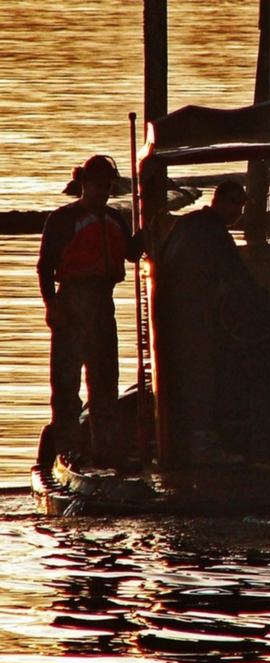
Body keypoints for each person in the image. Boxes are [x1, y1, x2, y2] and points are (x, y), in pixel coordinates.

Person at [36, 154, 144, 466]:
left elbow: (132, 253)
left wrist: (149, 229)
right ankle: (68, 448)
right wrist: (51, 305)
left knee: (105, 379)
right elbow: (45, 267)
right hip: (72, 301)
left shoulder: (114, 218)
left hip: (103, 303)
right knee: (67, 382)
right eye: (96, 185)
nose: (102, 191)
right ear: (84, 184)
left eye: (107, 186)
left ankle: (105, 449)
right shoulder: (62, 220)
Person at [159, 179, 270, 465]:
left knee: (187, 376)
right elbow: (238, 277)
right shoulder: (214, 233)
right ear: (219, 201)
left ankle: (189, 438)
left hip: (174, 316)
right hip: (195, 317)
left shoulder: (185, 224)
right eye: (235, 205)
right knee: (202, 376)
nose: (238, 212)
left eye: (242, 206)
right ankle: (203, 443)